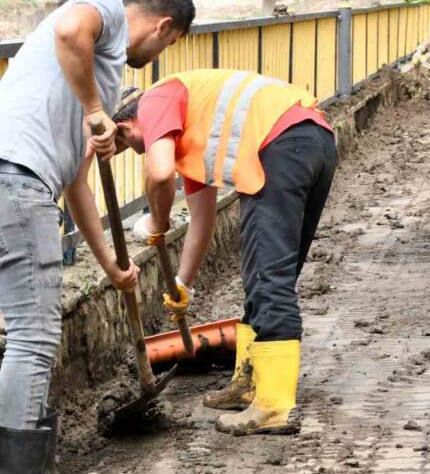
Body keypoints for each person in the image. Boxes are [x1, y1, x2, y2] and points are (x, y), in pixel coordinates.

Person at [0, 0, 195, 474]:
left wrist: (111, 262)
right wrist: (92, 108)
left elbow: (78, 182)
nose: (157, 55)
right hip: (9, 181)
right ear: (163, 27)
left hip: (21, 183)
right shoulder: (107, 12)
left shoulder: (100, 73)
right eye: (168, 43)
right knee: (32, 337)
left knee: (41, 335)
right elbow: (68, 26)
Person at [111, 69, 336, 437]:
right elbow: (202, 223)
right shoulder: (192, 131)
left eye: (129, 144)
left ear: (124, 125)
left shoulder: (155, 99)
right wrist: (183, 284)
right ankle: (250, 384)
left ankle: (275, 407)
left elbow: (160, 173)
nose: (137, 150)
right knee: (266, 271)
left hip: (282, 146)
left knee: (269, 278)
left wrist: (156, 222)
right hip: (313, 142)